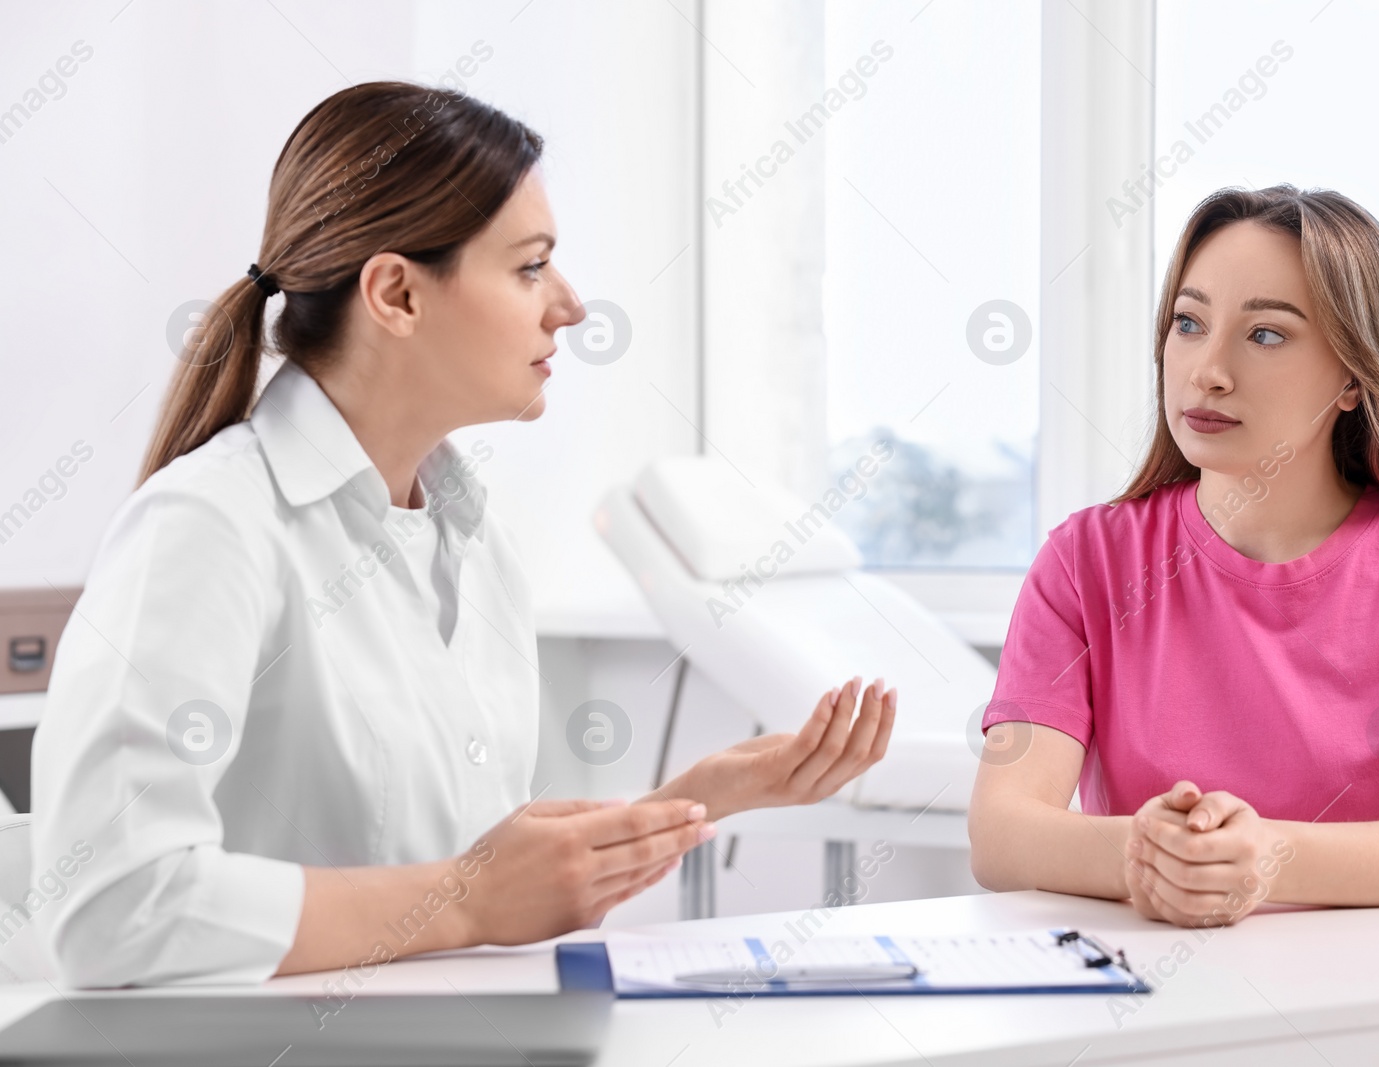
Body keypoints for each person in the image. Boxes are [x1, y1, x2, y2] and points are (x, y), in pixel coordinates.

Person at [30, 81, 897, 987]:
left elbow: (482, 874)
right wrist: (468, 900)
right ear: (397, 294)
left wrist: (694, 800)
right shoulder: (207, 528)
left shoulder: (471, 538)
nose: (570, 305)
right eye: (530, 267)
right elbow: (109, 908)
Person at [968, 185, 1379, 928]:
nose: (1208, 370)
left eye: (1266, 335)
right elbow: (1001, 834)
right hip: (1149, 1008)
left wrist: (1266, 855)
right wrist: (1143, 853)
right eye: (1188, 323)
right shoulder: (1084, 560)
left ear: (1354, 376)